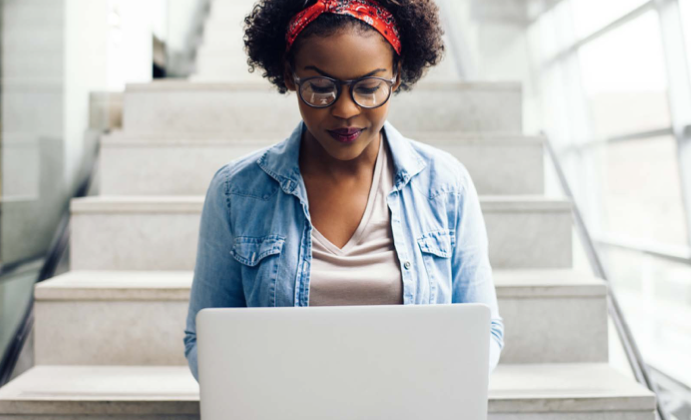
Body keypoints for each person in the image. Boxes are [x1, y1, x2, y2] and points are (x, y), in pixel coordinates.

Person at [184, 0, 504, 382]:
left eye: (369, 88)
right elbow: (204, 341)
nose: (346, 111)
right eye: (320, 88)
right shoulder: (236, 192)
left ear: (397, 75)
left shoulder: (445, 186)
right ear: (289, 75)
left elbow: (485, 331)